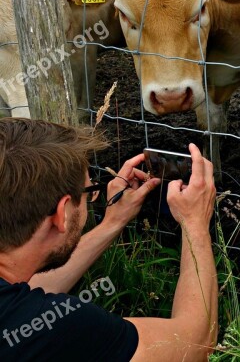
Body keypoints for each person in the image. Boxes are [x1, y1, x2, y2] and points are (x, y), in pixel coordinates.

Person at [0, 118, 218, 361]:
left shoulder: (17, 316)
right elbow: (194, 342)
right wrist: (195, 224)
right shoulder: (65, 330)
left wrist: (112, 222)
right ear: (61, 215)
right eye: (89, 191)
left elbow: (23, 297)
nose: (94, 191)